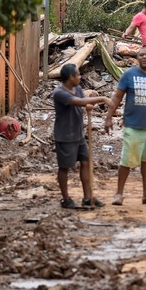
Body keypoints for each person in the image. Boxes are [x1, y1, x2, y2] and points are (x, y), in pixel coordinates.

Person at [104, 46, 146, 206]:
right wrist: (108, 117)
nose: (144, 57)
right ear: (137, 58)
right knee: (126, 161)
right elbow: (117, 97)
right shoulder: (129, 75)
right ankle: (119, 194)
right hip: (133, 125)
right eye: (141, 55)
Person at [53, 63, 112, 209]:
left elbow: (82, 103)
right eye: (78, 74)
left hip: (78, 134)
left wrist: (87, 106)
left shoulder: (77, 88)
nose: (80, 77)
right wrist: (102, 98)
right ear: (70, 77)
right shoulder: (59, 93)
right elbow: (77, 102)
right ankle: (66, 199)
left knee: (86, 162)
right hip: (65, 135)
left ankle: (87, 197)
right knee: (65, 167)